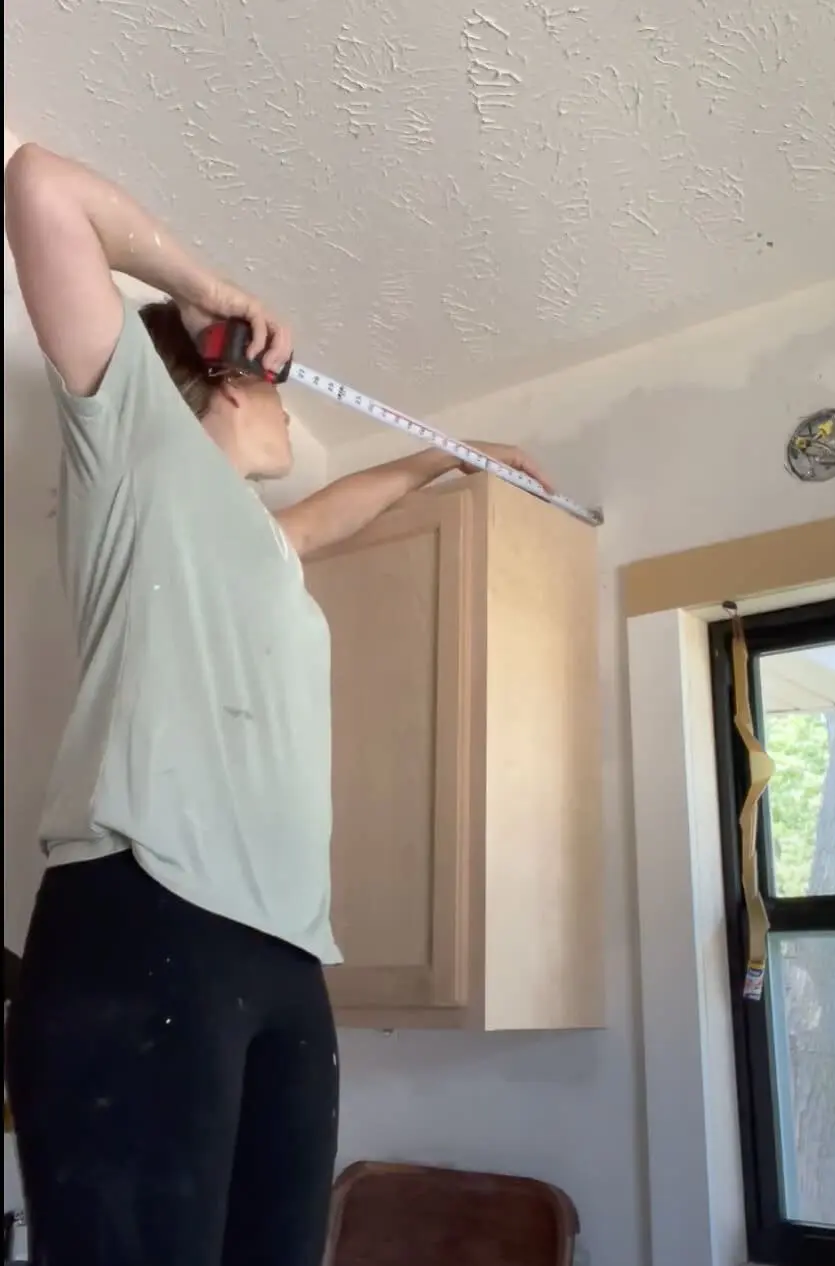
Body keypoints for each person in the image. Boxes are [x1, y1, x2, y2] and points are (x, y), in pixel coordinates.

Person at [3, 142, 552, 1266]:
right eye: (268, 385)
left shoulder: (256, 543)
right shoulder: (138, 460)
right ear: (223, 376)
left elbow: (326, 516)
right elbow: (38, 186)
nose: (288, 409)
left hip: (283, 955)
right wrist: (209, 289)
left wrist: (447, 461)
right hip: (146, 915)